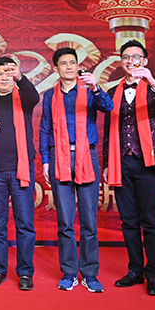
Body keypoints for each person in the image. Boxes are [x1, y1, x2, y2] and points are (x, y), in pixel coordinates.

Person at [102, 40, 155, 296]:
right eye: (126, 56)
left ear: (145, 60)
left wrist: (152, 81)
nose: (131, 61)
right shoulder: (113, 90)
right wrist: (107, 163)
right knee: (128, 220)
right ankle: (135, 269)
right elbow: (108, 130)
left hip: (149, 160)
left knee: (151, 219)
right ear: (121, 61)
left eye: (136, 57)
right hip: (121, 161)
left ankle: (154, 274)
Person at [39, 47, 113, 293]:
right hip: (59, 157)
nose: (69, 67)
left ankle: (90, 273)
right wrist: (46, 160)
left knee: (89, 220)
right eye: (64, 63)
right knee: (65, 221)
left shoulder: (89, 90)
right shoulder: (50, 96)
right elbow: (45, 128)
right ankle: (69, 272)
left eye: (73, 62)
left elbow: (108, 107)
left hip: (86, 156)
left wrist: (96, 87)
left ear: (78, 66)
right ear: (56, 68)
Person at [0, 56, 39, 291]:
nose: (5, 77)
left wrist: (20, 77)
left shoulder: (23, 98)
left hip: (21, 170)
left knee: (25, 225)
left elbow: (34, 96)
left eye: (9, 73)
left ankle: (25, 272)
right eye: (0, 73)